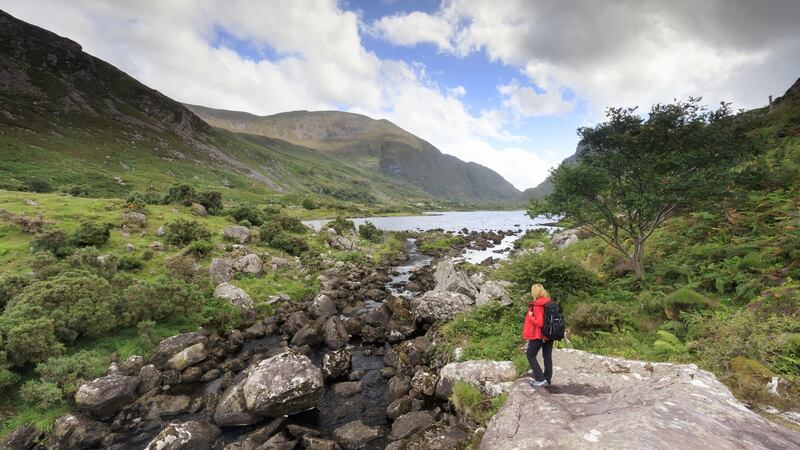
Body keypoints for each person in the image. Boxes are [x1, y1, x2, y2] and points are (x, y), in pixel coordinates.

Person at [523, 283, 553, 387]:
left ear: (534, 293)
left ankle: (541, 379)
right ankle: (547, 380)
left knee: (530, 355)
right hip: (549, 334)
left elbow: (539, 322)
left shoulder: (538, 305)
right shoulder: (548, 302)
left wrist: (530, 316)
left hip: (539, 335)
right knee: (547, 356)